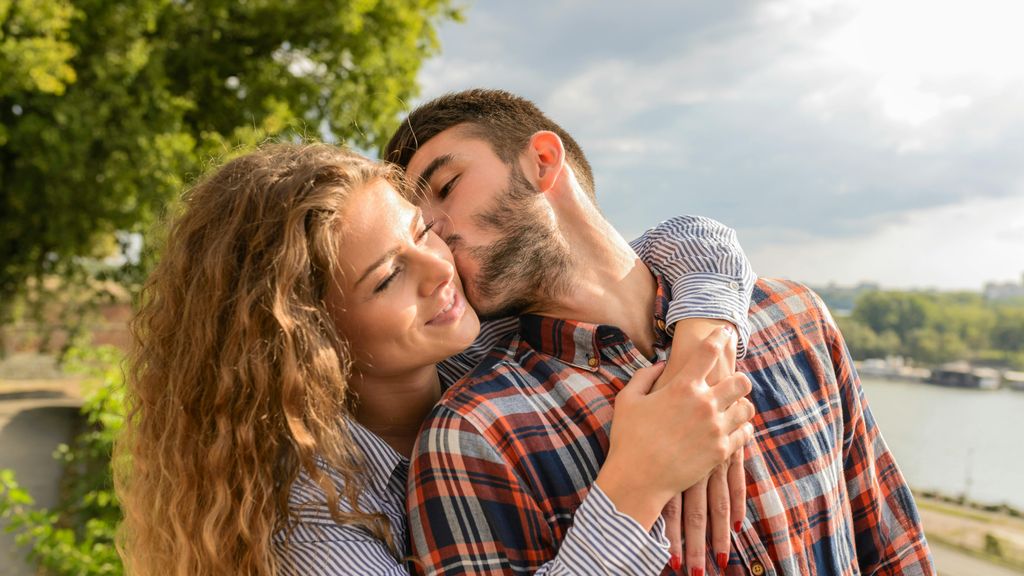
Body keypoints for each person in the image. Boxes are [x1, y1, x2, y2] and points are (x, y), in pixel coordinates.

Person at [115, 142, 759, 575]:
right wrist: (636, 486)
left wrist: (703, 345)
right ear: (306, 341)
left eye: (423, 232)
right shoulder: (307, 528)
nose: (441, 269)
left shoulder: (477, 344)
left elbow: (681, 243)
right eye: (387, 277)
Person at [385, 89, 936, 576]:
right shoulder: (473, 435)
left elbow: (892, 546)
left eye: (446, 186)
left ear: (543, 161)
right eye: (415, 223)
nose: (431, 230)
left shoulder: (795, 318)